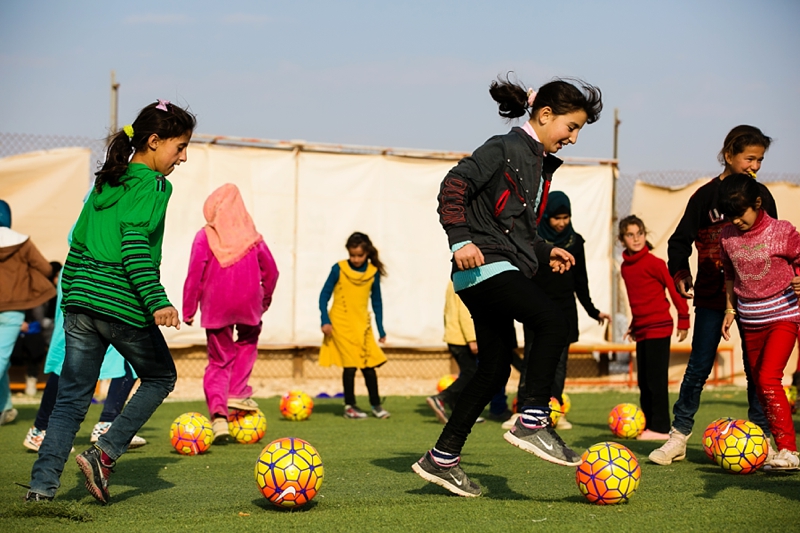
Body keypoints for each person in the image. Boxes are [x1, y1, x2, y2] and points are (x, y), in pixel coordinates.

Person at [412, 75, 603, 497]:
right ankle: (533, 419)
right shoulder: (504, 147)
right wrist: (460, 239)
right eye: (571, 127)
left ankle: (442, 459)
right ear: (546, 114)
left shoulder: (536, 162)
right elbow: (453, 186)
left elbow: (511, 226)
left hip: (496, 265)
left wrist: (542, 249)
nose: (572, 138)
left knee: (494, 370)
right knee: (553, 321)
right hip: (484, 266)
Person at [24, 99, 196, 504]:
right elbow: (135, 247)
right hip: (121, 302)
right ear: (154, 142)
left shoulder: (105, 181)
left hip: (81, 300)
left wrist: (75, 300)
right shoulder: (154, 185)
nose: (183, 157)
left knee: (71, 397)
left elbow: (77, 243)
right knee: (160, 377)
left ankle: (41, 489)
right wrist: (158, 301)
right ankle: (104, 453)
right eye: (180, 146)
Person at [649, 125, 792, 465]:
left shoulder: (762, 196)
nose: (755, 166)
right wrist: (681, 272)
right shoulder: (703, 197)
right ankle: (679, 436)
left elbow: (779, 242)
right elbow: (678, 241)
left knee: (756, 371)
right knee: (698, 367)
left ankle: (761, 439)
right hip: (713, 298)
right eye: (749, 158)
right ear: (729, 155)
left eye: (760, 160)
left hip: (757, 300)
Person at [504, 191, 611, 431]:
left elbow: (580, 282)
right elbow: (524, 274)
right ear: (547, 216)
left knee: (559, 364)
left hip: (564, 312)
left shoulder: (576, 242)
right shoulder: (534, 241)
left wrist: (593, 312)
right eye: (556, 218)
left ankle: (553, 411)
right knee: (532, 359)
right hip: (536, 309)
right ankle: (522, 410)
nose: (562, 222)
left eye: (566, 217)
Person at [183, 183, 279, 442]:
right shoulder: (253, 238)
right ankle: (237, 390)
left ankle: (220, 419)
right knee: (247, 343)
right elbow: (272, 271)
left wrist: (189, 308)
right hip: (249, 304)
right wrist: (264, 300)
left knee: (219, 359)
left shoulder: (205, 236)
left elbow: (195, 273)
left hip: (216, 307)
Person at [718, 174, 800, 469]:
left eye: (741, 213)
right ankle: (769, 447)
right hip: (750, 321)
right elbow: (729, 275)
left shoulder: (782, 231)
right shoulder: (726, 236)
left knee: (768, 379)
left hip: (783, 315)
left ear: (757, 203)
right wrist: (730, 311)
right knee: (758, 383)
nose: (736, 221)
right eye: (730, 215)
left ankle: (789, 450)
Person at [23, 269, 147, 452]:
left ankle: (108, 423)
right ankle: (40, 429)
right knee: (67, 362)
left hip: (99, 280)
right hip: (88, 279)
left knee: (128, 358)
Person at [618, 215, 689, 440]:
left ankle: (660, 428)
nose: (636, 238)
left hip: (660, 327)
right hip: (643, 329)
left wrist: (684, 317)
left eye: (639, 233)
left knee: (656, 381)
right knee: (643, 381)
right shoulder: (625, 268)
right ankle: (648, 424)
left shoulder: (655, 263)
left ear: (644, 235)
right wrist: (633, 325)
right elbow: (636, 300)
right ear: (622, 239)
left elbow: (674, 289)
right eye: (630, 235)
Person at [319, 232, 389, 419]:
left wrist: (381, 329)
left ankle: (376, 405)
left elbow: (377, 302)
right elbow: (323, 296)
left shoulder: (372, 273)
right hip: (341, 323)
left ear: (367, 253)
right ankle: (350, 406)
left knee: (369, 366)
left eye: (360, 255)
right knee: (350, 366)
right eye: (352, 255)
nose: (356, 259)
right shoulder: (338, 269)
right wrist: (325, 320)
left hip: (362, 325)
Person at [0, 199, 57, 426]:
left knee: (2, 360)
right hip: (13, 312)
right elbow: (44, 268)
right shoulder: (21, 243)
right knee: (1, 358)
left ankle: (5, 409)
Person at [426, 281, 486, 424]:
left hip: (454, 336)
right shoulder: (466, 281)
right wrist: (472, 338)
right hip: (462, 339)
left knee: (467, 373)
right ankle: (441, 398)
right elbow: (465, 312)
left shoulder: (453, 281)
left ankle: (459, 412)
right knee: (471, 374)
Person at [12, 261, 61, 396]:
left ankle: (32, 379)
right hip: (16, 326)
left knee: (35, 343)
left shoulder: (52, 293)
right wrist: (17, 322)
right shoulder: (16, 289)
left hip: (36, 330)